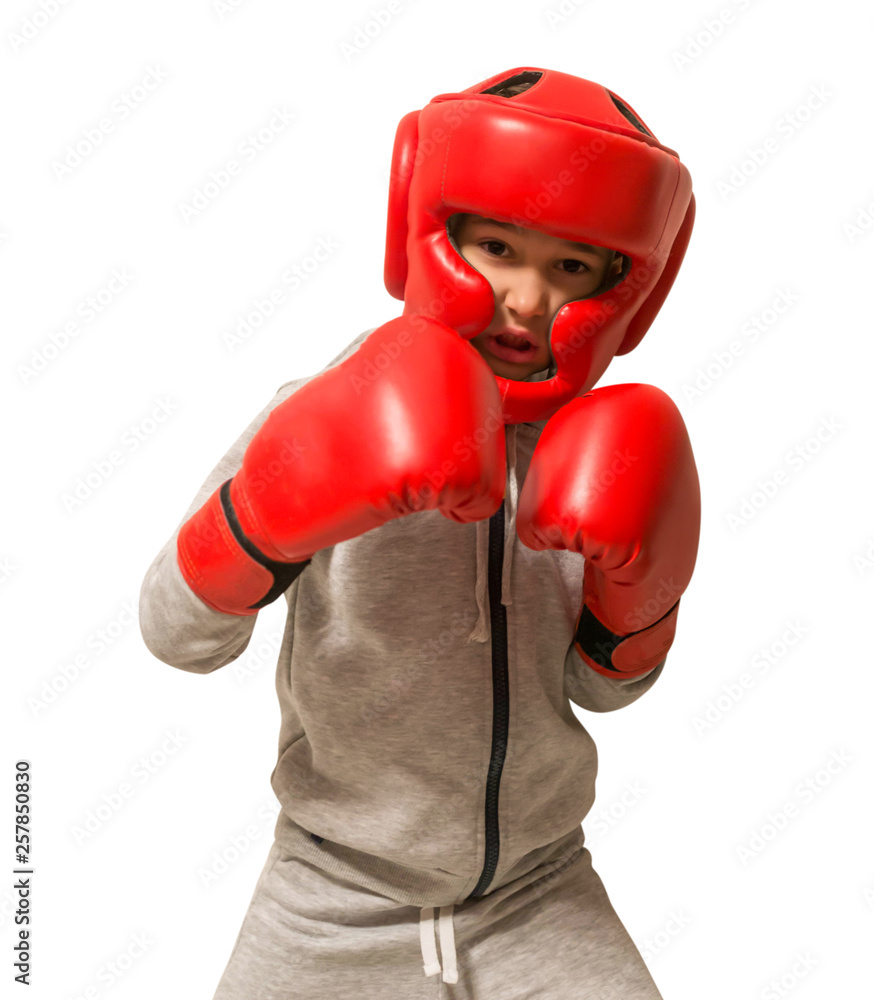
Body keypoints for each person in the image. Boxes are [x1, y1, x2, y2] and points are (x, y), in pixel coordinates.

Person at [139, 65, 700, 999]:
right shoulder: (327, 408)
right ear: (430, 235)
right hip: (330, 893)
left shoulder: (604, 452)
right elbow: (177, 637)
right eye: (497, 247)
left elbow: (603, 694)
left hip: (538, 892)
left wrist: (639, 608)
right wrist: (267, 515)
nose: (527, 299)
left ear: (627, 285)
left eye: (570, 267)